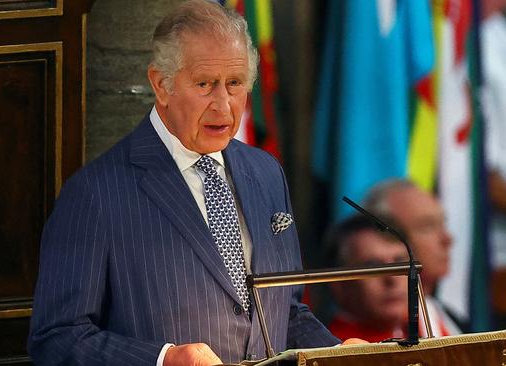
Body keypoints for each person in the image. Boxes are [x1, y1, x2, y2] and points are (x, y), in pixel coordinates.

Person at [27, 1, 340, 365]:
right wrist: (164, 359)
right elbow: (56, 338)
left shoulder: (266, 172)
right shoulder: (95, 193)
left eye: (235, 84)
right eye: (205, 84)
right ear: (161, 85)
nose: (223, 106)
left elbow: (284, 311)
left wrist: (335, 355)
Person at [364, 179, 463, 337]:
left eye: (442, 224)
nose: (447, 240)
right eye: (427, 226)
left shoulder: (447, 317)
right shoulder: (359, 339)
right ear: (385, 237)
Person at [324, 214, 409, 343]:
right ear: (340, 284)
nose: (392, 278)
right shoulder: (332, 350)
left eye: (399, 261)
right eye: (373, 266)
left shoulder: (425, 325)